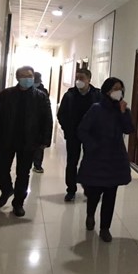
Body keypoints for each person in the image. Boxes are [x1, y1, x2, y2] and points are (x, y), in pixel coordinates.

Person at [0, 65, 53, 217]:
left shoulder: (40, 96)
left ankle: (18, 203)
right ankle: (7, 190)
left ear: (33, 77)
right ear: (17, 78)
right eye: (23, 76)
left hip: (29, 141)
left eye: (29, 76)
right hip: (6, 138)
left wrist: (45, 140)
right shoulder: (6, 94)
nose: (27, 79)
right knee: (0, 169)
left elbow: (47, 120)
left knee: (23, 174)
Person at [77, 77, 134, 242]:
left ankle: (105, 228)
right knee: (94, 193)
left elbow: (129, 129)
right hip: (97, 158)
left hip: (115, 159)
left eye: (121, 88)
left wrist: (123, 113)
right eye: (115, 88)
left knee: (110, 195)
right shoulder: (96, 109)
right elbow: (82, 130)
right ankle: (90, 215)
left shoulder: (123, 109)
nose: (119, 92)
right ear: (107, 91)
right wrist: (93, 146)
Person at [57, 68, 101, 201]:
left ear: (89, 80)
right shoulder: (69, 95)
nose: (78, 81)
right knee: (72, 162)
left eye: (81, 78)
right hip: (73, 134)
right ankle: (71, 190)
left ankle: (89, 189)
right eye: (77, 78)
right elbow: (61, 114)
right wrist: (67, 129)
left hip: (91, 135)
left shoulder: (97, 95)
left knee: (90, 162)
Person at [32, 71, 49, 173]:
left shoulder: (43, 92)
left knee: (39, 146)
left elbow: (46, 110)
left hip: (39, 123)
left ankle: (37, 165)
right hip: (28, 122)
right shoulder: (26, 90)